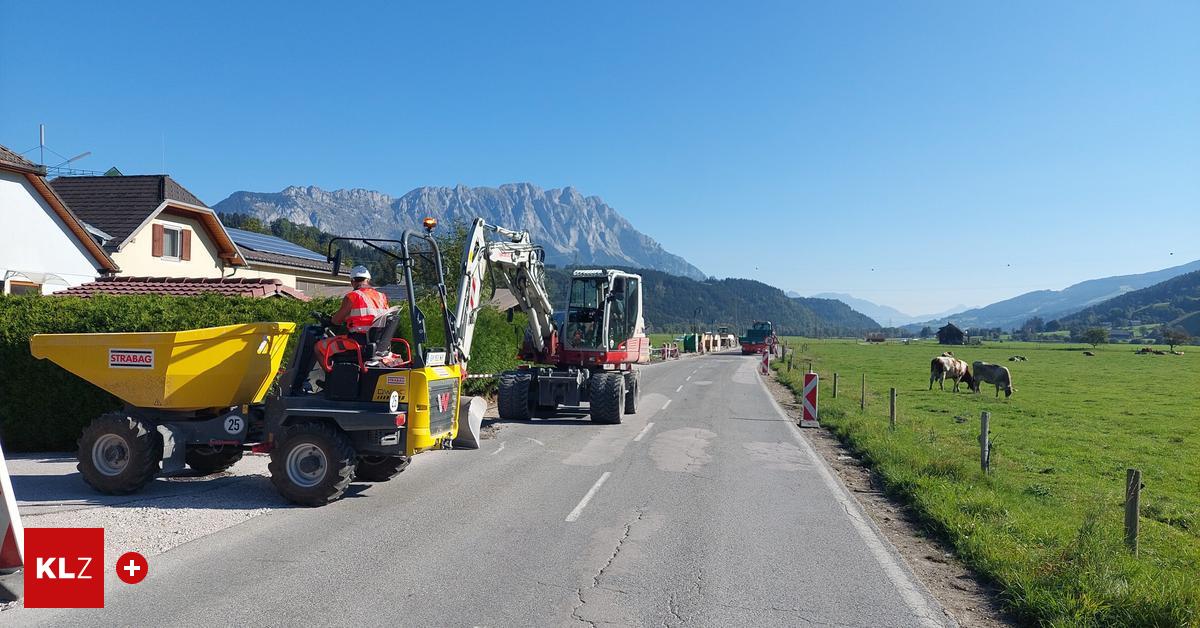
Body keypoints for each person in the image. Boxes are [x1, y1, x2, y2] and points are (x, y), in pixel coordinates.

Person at [331, 266, 388, 333]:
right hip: (380, 339)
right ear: (368, 280)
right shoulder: (382, 296)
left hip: (359, 338)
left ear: (352, 282)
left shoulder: (353, 296)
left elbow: (336, 321)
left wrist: (331, 319)